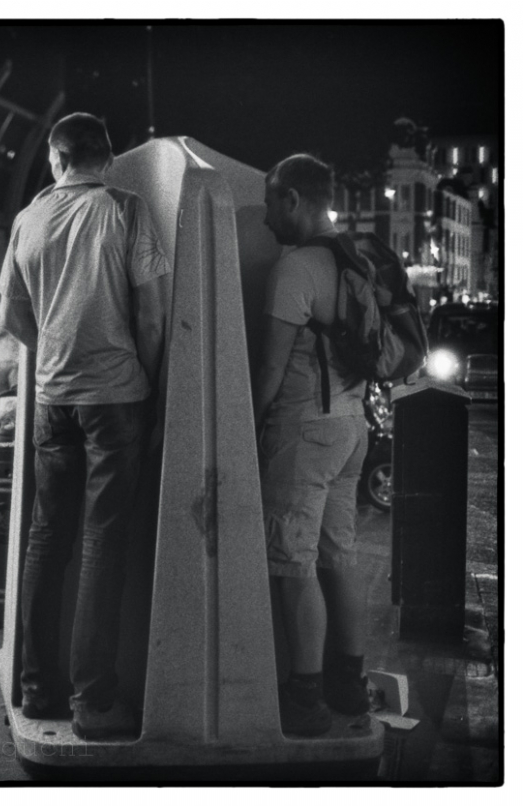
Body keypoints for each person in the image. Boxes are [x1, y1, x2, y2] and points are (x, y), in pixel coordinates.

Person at [0, 113, 171, 739]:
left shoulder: (29, 218)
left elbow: (12, 314)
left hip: (52, 399)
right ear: (109, 156)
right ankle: (94, 703)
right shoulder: (125, 209)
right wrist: (147, 384)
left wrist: (52, 350)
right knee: (102, 542)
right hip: (115, 398)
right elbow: (152, 315)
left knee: (48, 539)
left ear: (55, 158)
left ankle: (37, 689)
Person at [254, 154, 371, 737]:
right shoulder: (355, 257)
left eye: (272, 202)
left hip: (305, 430)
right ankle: (348, 684)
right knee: (338, 557)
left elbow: (271, 369)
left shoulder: (296, 266)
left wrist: (245, 429)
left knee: (293, 566)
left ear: (294, 199)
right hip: (353, 428)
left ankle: (305, 699)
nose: (267, 216)